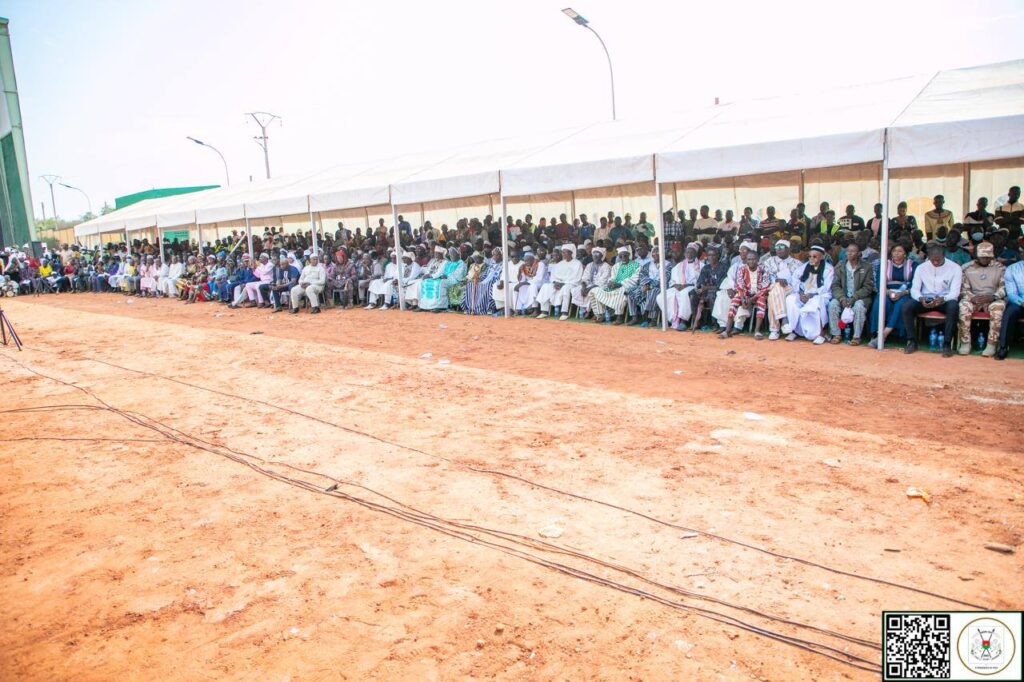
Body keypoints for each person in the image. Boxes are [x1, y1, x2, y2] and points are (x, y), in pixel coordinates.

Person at [901, 241, 962, 357]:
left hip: (945, 299)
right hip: (926, 299)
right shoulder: (921, 268)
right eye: (932, 259)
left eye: (938, 260)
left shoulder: (955, 268)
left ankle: (947, 344)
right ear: (928, 257)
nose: (935, 262)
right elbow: (914, 290)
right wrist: (920, 298)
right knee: (906, 307)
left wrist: (942, 299)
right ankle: (912, 341)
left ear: (944, 256)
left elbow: (955, 293)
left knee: (953, 307)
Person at [957, 241, 1005, 357]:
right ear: (976, 256)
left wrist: (993, 297)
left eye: (988, 257)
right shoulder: (967, 268)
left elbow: (1004, 287)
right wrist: (972, 297)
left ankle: (992, 344)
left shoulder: (999, 268)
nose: (985, 260)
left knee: (998, 308)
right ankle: (965, 342)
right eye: (982, 257)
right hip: (974, 298)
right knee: (963, 306)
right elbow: (963, 288)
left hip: (992, 298)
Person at [868, 243, 917, 348]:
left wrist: (903, 293)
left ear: (905, 254)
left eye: (900, 251)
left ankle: (884, 334)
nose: (896, 253)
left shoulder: (912, 265)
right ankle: (875, 333)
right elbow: (879, 283)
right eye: (894, 251)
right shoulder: (885, 264)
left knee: (901, 305)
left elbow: (915, 284)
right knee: (879, 303)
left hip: (905, 293)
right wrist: (888, 292)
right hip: (887, 291)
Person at [827, 242, 875, 345]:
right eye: (848, 251)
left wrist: (854, 297)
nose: (849, 253)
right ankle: (836, 334)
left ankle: (856, 337)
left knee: (858, 306)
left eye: (853, 251)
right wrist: (842, 298)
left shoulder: (867, 267)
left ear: (859, 254)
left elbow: (868, 287)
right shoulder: (840, 266)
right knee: (833, 304)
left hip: (860, 298)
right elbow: (835, 285)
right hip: (843, 297)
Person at [785, 245, 834, 344]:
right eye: (810, 256)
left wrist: (811, 295)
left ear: (821, 257)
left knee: (816, 302)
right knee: (790, 299)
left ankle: (820, 333)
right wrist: (801, 292)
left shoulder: (828, 269)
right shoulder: (804, 267)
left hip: (820, 295)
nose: (811, 259)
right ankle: (793, 330)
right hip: (804, 294)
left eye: (814, 256)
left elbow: (826, 287)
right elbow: (795, 279)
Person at [721, 251, 771, 339]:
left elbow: (765, 287)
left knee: (762, 301)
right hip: (745, 294)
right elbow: (740, 285)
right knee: (735, 301)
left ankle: (757, 331)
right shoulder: (742, 269)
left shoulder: (764, 269)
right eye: (749, 259)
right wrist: (743, 298)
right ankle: (727, 330)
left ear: (758, 259)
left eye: (753, 259)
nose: (751, 261)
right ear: (746, 260)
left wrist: (751, 299)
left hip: (759, 294)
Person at [762, 239, 802, 340]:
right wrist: (777, 279)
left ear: (788, 249)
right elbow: (765, 277)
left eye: (781, 247)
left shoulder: (797, 263)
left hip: (791, 288)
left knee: (774, 295)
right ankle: (786, 324)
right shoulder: (769, 261)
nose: (778, 250)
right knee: (776, 290)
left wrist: (787, 282)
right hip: (772, 287)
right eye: (777, 247)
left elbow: (800, 281)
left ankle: (774, 329)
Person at [658, 242, 703, 330]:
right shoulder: (680, 265)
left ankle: (683, 321)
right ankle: (672, 319)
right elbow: (672, 280)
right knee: (661, 296)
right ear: (685, 253)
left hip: (692, 287)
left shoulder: (701, 265)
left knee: (684, 294)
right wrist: (676, 285)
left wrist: (686, 285)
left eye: (691, 252)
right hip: (677, 287)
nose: (689, 254)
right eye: (687, 252)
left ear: (695, 253)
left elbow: (700, 281)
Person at [590, 246, 640, 324]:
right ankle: (600, 314)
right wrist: (611, 282)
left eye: (625, 255)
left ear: (629, 255)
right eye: (620, 256)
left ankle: (619, 317)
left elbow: (635, 279)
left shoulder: (636, 265)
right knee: (594, 291)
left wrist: (620, 284)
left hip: (626, 286)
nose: (623, 257)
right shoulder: (616, 266)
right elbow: (612, 277)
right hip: (614, 286)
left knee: (621, 292)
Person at [537, 244, 583, 320]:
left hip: (571, 283)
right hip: (558, 283)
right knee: (545, 286)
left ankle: (564, 312)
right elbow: (553, 276)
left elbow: (577, 278)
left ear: (571, 253)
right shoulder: (560, 264)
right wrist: (555, 282)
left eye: (565, 252)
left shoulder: (577, 263)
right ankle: (544, 311)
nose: (563, 254)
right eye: (562, 252)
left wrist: (563, 283)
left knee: (566, 288)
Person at [419, 247, 466, 312]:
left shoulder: (461, 263)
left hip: (454, 280)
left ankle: (440, 306)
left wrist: (447, 276)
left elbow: (459, 275)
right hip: (445, 278)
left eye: (453, 254)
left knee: (440, 283)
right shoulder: (449, 263)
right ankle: (426, 305)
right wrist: (441, 276)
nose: (451, 256)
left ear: (458, 255)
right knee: (427, 282)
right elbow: (442, 271)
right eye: (450, 254)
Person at [994, 258, 1024, 360]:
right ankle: (1003, 347)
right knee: (1009, 312)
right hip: (1020, 303)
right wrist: (1022, 302)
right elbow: (1011, 293)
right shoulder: (1012, 269)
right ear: (1022, 254)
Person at [572, 247, 610, 318]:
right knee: (577, 290)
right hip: (589, 285)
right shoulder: (589, 265)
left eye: (597, 254)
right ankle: (584, 310)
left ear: (602, 256)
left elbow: (602, 281)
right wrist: (584, 286)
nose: (595, 255)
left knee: (593, 291)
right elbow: (585, 277)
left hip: (601, 285)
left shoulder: (606, 266)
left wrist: (588, 288)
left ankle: (591, 312)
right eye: (594, 254)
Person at [464, 249, 500, 315]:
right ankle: (471, 307)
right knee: (471, 284)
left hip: (495, 281)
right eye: (493, 255)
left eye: (496, 255)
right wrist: (479, 278)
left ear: (501, 255)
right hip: (485, 280)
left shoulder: (503, 265)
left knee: (489, 285)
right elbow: (485, 274)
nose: (494, 257)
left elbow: (501, 276)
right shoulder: (491, 265)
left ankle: (489, 308)